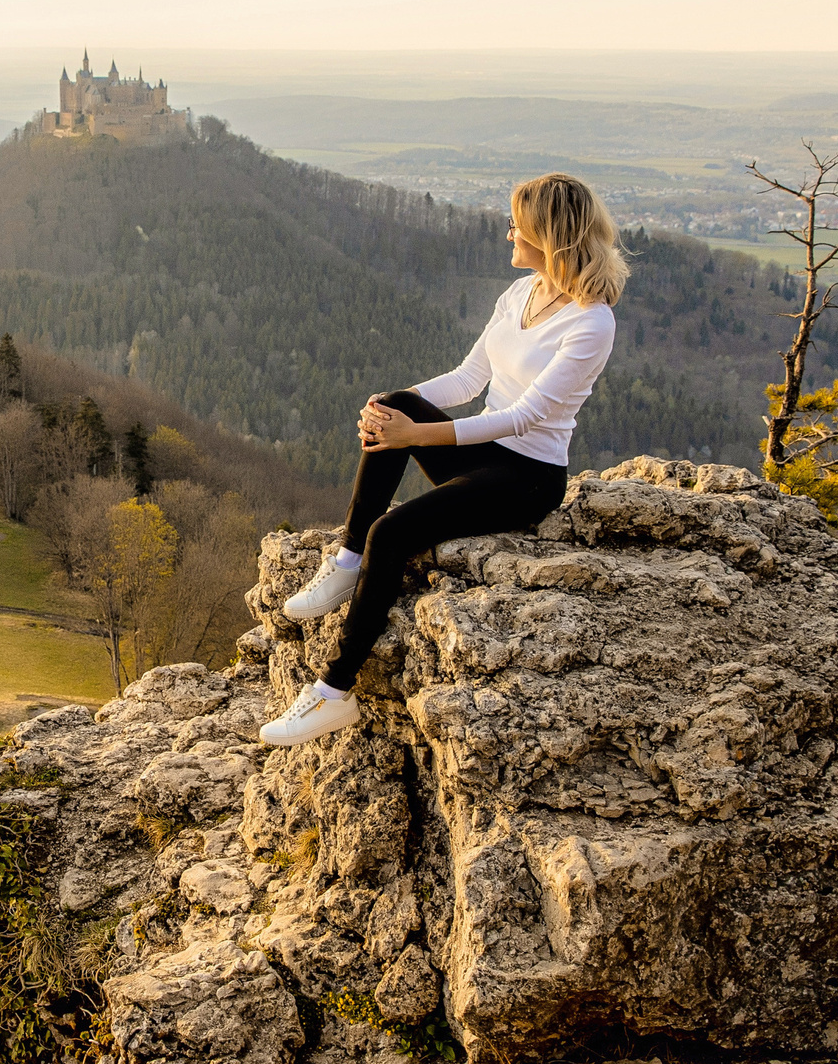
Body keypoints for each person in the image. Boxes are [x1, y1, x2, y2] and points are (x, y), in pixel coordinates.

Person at [258, 173, 629, 747]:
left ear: (548, 236)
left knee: (394, 531)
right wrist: (390, 413)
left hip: (526, 477)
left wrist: (419, 436)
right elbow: (467, 378)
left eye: (519, 227)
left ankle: (333, 693)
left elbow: (524, 417)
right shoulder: (521, 294)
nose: (509, 234)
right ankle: (347, 563)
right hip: (484, 453)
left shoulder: (590, 320)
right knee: (395, 405)